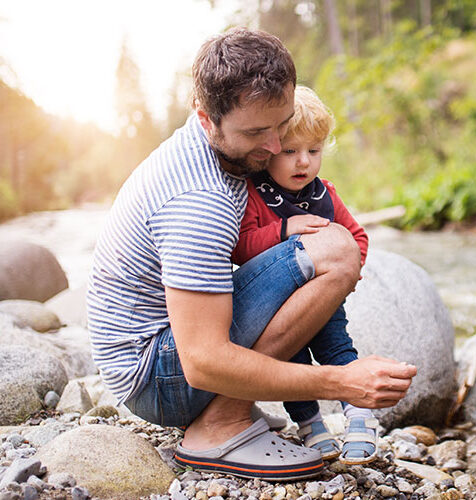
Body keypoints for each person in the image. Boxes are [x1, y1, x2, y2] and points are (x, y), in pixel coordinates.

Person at [86, 28, 416, 481]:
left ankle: (229, 413)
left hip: (161, 351)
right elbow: (202, 362)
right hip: (157, 378)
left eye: (281, 124)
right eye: (258, 132)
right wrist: (342, 382)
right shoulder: (200, 201)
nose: (276, 147)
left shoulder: (223, 147)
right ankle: (219, 428)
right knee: (336, 251)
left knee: (335, 246)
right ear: (207, 119)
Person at [231, 86, 376, 465]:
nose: (303, 163)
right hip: (278, 307)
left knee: (339, 350)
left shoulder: (324, 193)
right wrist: (285, 229)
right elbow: (242, 247)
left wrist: (347, 273)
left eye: (313, 151)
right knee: (291, 364)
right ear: (269, 151)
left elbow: (356, 237)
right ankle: (311, 425)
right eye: (291, 151)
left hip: (324, 299)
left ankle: (359, 415)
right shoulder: (255, 195)